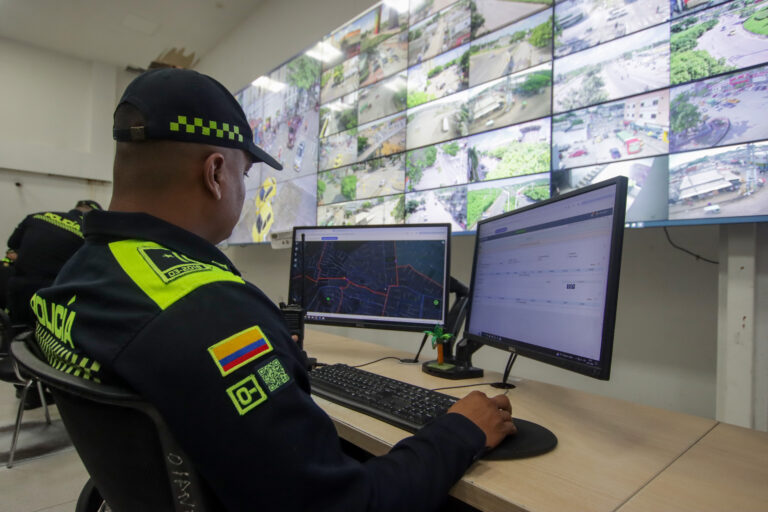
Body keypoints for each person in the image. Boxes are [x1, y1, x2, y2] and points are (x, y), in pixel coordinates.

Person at [31, 68, 516, 512]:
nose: (242, 190)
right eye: (244, 176)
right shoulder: (210, 310)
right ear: (216, 173)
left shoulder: (81, 271)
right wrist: (460, 429)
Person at [6, 200, 101, 326]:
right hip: (51, 294)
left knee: (15, 330)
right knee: (42, 338)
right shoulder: (88, 233)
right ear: (93, 214)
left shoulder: (36, 216)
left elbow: (12, 244)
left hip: (19, 286)